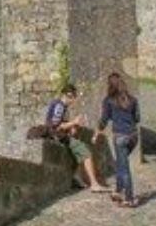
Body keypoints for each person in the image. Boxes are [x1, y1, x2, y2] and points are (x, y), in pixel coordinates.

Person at [44, 84, 111, 192]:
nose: (72, 100)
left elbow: (60, 123)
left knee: (77, 152)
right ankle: (94, 184)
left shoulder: (61, 105)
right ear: (64, 95)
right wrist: (73, 122)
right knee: (85, 152)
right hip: (56, 136)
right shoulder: (59, 105)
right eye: (70, 96)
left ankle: (74, 179)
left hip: (58, 135)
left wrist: (71, 127)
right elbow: (55, 125)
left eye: (73, 97)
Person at [97, 71, 141, 207]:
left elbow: (104, 120)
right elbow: (137, 118)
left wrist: (97, 131)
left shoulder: (108, 100)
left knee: (124, 167)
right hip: (133, 136)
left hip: (120, 137)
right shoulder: (133, 100)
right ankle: (117, 191)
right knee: (121, 163)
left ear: (110, 86)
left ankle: (129, 198)